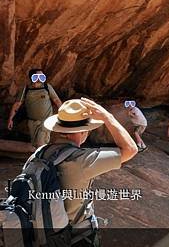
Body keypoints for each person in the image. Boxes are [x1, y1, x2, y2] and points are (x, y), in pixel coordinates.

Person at [41, 98, 138, 246]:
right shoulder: (83, 160)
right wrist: (108, 117)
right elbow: (131, 149)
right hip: (74, 235)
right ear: (84, 131)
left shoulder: (39, 153)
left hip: (44, 230)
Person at [7, 68, 63, 147]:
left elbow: (56, 100)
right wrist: (10, 119)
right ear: (31, 78)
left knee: (41, 143)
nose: (39, 79)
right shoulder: (26, 89)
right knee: (35, 144)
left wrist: (63, 113)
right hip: (32, 122)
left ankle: (41, 158)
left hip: (45, 121)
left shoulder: (47, 87)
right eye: (36, 77)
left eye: (41, 77)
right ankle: (40, 158)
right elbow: (17, 104)